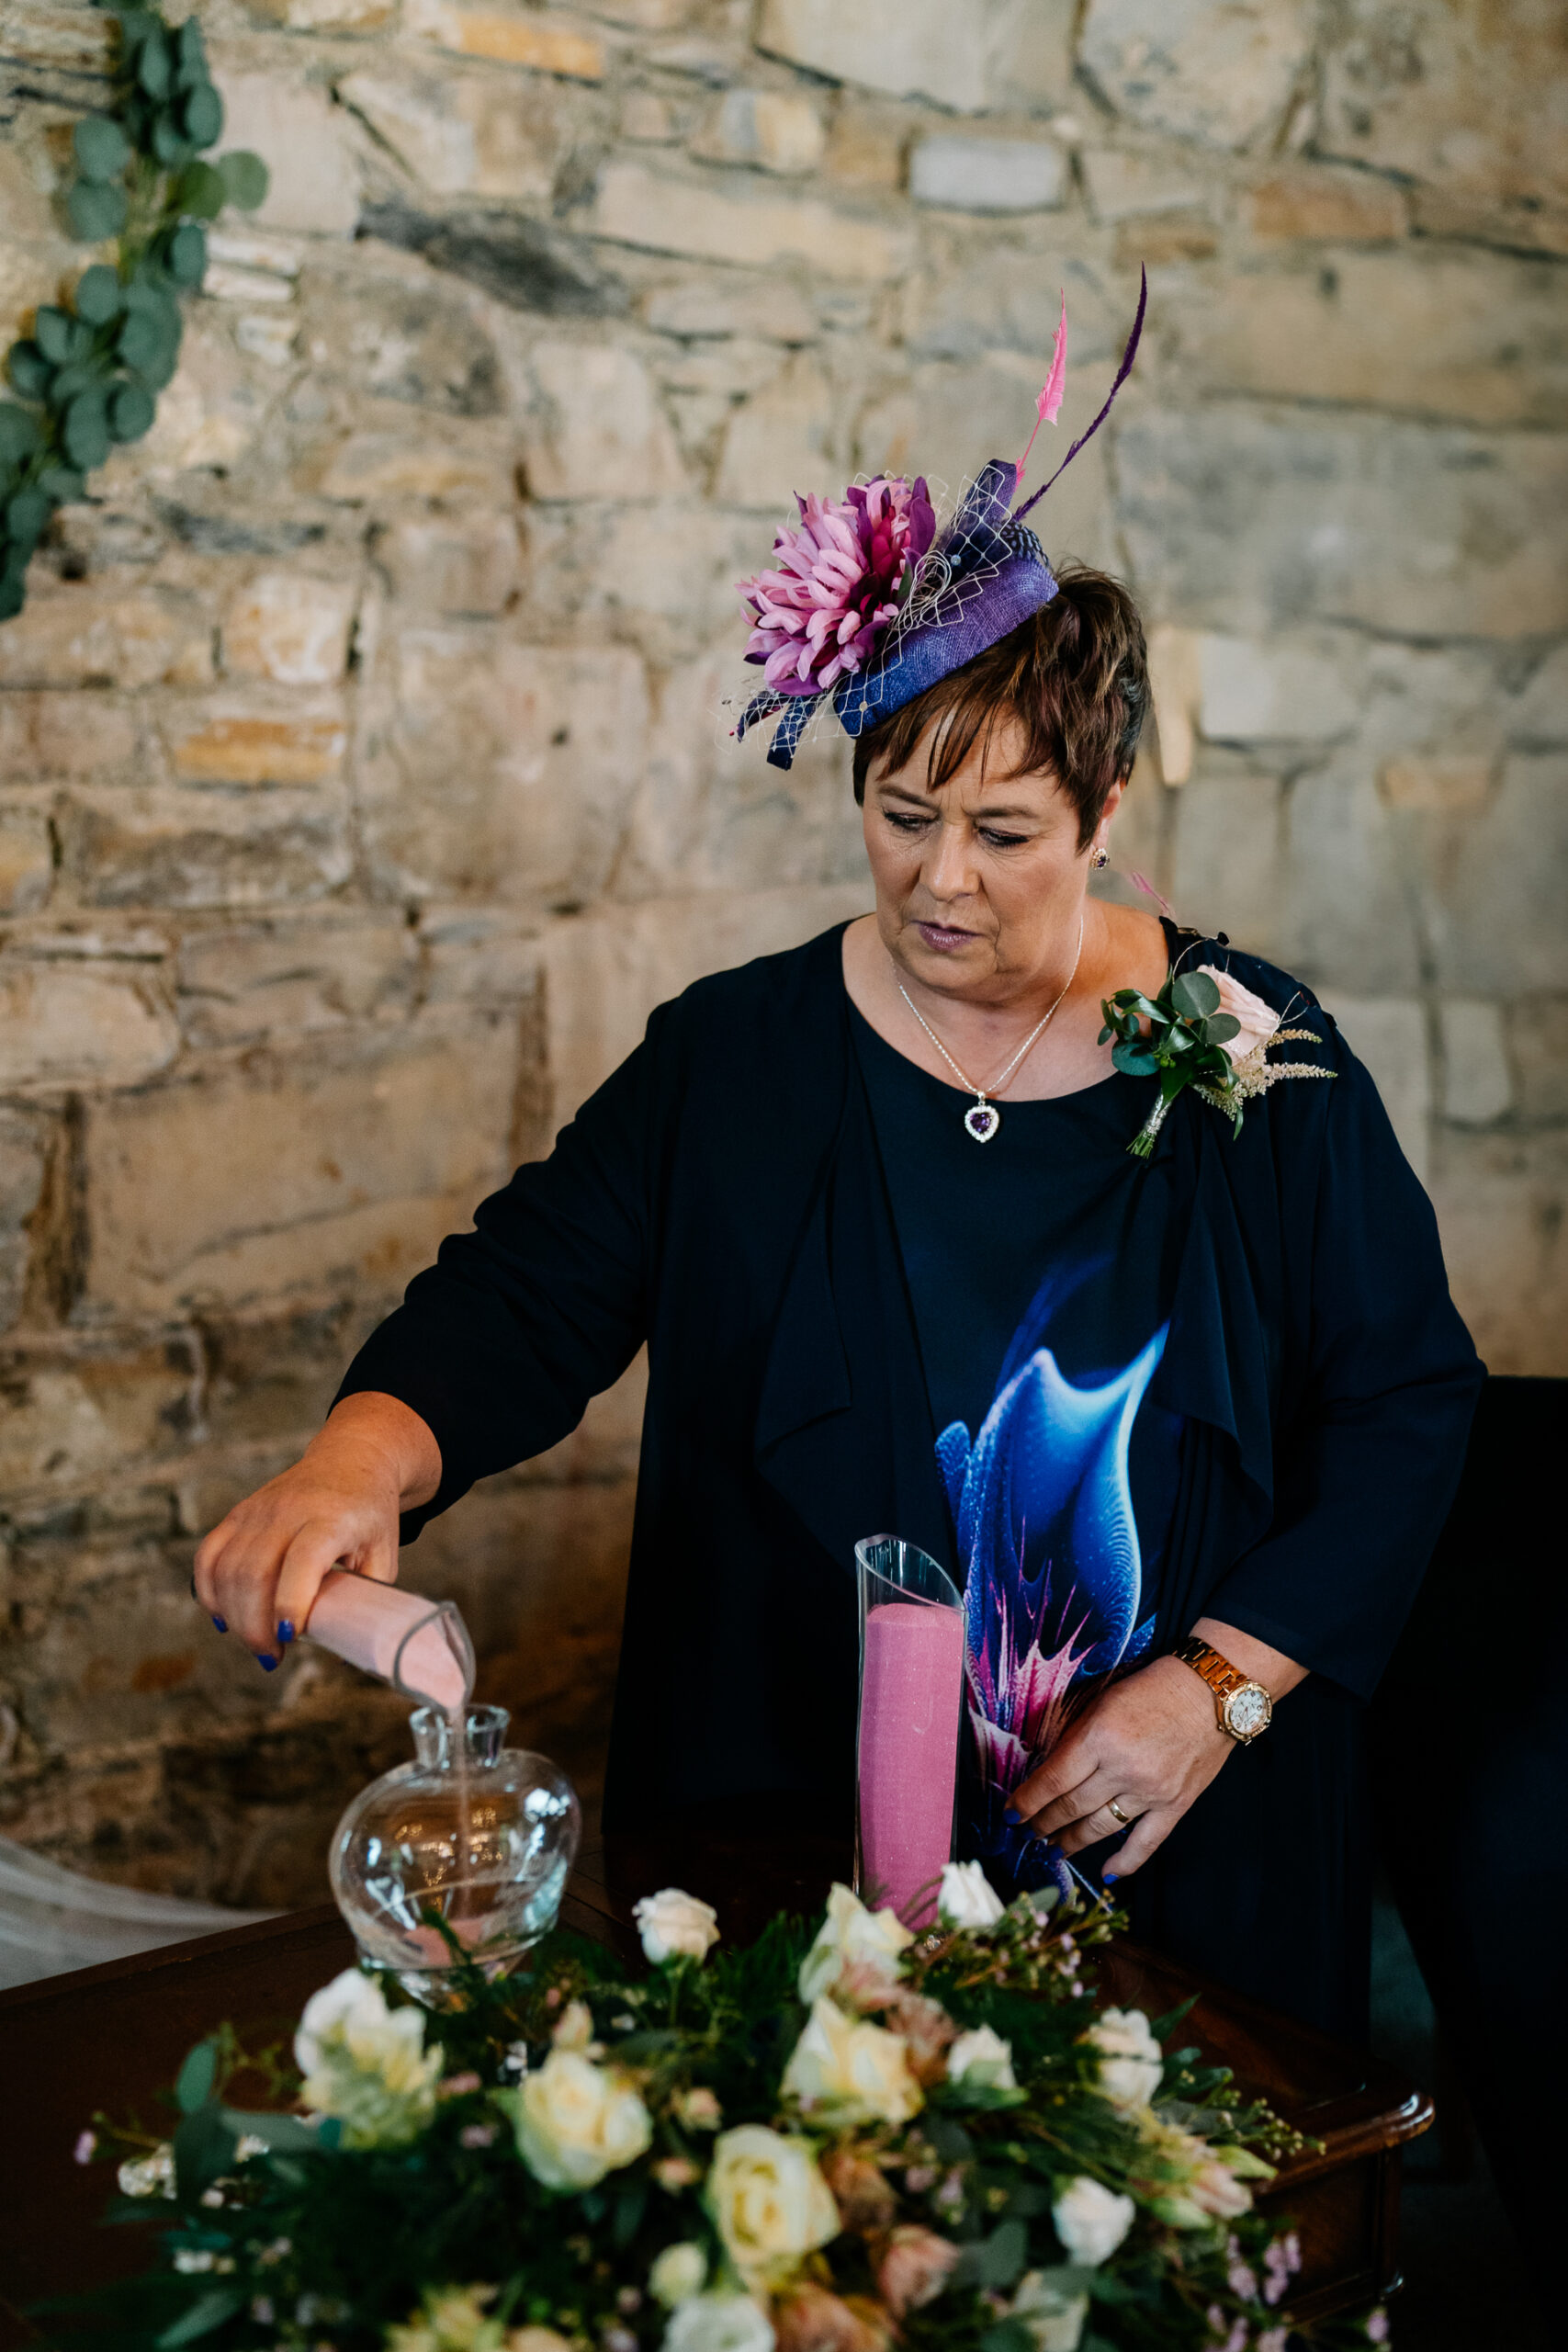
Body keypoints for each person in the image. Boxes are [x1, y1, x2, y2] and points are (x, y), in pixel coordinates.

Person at [193, 311, 1482, 2040]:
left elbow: (1407, 1404)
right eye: (899, 811)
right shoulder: (741, 1059)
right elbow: (533, 1287)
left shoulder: (1262, 1057)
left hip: (1184, 1837)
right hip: (787, 1824)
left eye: (1007, 833)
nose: (943, 880)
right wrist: (359, 1456)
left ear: (1106, 814)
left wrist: (1222, 1692)